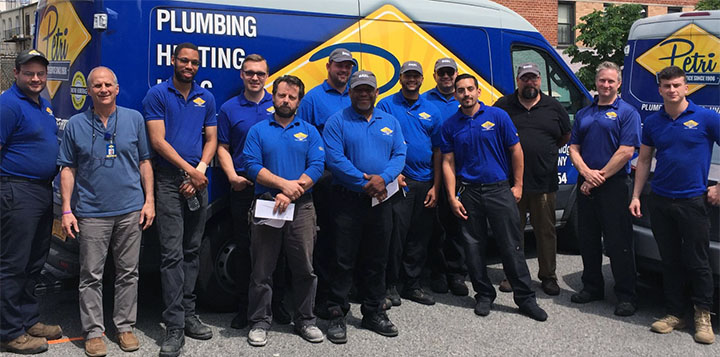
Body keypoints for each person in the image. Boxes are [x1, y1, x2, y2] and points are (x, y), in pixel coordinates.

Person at [58, 66, 154, 356]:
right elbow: (68, 168)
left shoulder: (134, 119)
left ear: (117, 88)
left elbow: (145, 162)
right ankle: (94, 332)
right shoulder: (76, 124)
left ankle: (124, 327)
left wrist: (149, 200)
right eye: (97, 85)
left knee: (128, 273)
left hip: (130, 210)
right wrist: (66, 209)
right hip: (91, 212)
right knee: (91, 275)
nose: (103, 89)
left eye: (108, 85)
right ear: (89, 91)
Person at [440, 73, 547, 322]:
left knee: (512, 246)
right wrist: (452, 197)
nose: (466, 94)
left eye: (470, 89)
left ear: (478, 92)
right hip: (469, 192)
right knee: (474, 247)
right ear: (455, 95)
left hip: (499, 190)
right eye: (461, 90)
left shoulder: (498, 117)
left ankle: (525, 299)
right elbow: (447, 162)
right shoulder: (450, 125)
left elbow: (516, 150)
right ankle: (484, 295)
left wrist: (518, 185)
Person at [629, 66, 719, 344]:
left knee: (698, 261)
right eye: (666, 86)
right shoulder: (653, 122)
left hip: (692, 200)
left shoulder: (706, 118)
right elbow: (644, 160)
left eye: (677, 85)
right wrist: (635, 195)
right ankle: (675, 313)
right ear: (660, 89)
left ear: (686, 87)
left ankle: (703, 316)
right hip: (661, 199)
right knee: (669, 259)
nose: (672, 90)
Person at [142, 42, 217, 357]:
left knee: (192, 251)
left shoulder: (206, 97)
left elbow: (211, 139)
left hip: (197, 181)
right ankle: (173, 326)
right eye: (184, 60)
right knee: (171, 255)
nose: (189, 65)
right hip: (170, 182)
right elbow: (157, 142)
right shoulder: (157, 95)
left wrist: (199, 171)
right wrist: (190, 171)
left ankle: (188, 314)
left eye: (194, 62)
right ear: (173, 61)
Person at [323, 71, 407, 343]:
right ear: (350, 92)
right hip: (347, 201)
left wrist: (383, 179)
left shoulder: (390, 121)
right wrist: (364, 182)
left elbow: (399, 154)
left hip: (381, 201)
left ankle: (374, 311)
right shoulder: (338, 121)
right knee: (341, 259)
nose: (363, 94)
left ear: (376, 92)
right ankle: (337, 312)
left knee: (377, 258)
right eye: (358, 89)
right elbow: (335, 159)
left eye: (368, 89)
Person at [243, 75, 325, 347]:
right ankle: (259, 322)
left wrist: (294, 191)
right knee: (262, 269)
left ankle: (305, 320)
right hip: (268, 203)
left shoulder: (310, 131)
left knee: (304, 268)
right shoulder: (258, 130)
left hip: (302, 208)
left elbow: (316, 165)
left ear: (299, 101)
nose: (286, 100)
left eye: (291, 97)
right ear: (273, 96)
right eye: (281, 95)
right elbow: (252, 166)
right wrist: (283, 187)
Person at [216, 54, 290, 329]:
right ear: (242, 75)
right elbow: (222, 146)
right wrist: (232, 176)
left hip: (276, 190)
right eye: (249, 73)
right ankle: (244, 307)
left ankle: (278, 303)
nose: (255, 77)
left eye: (260, 73)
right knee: (245, 248)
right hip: (245, 189)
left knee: (278, 250)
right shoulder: (229, 108)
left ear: (267, 76)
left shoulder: (281, 103)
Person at [0, 49, 62, 355]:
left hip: (41, 191)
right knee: (13, 264)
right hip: (17, 191)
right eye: (29, 73)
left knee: (35, 262)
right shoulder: (8, 104)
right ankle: (9, 332)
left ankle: (27, 320)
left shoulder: (43, 103)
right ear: (17, 74)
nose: (36, 78)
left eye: (40, 73)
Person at [568, 61, 639, 317]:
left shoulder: (627, 113)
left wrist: (596, 177)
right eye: (602, 81)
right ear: (595, 83)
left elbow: (626, 151)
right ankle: (592, 287)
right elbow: (573, 148)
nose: (606, 85)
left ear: (618, 84)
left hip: (615, 186)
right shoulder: (584, 113)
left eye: (611, 81)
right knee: (587, 239)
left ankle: (626, 295)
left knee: (619, 241)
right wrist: (586, 173)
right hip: (587, 184)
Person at [493, 63, 571, 295]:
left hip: (544, 181)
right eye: (525, 78)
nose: (529, 82)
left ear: (539, 81)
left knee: (546, 232)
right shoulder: (503, 106)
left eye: (533, 78)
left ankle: (548, 276)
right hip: (511, 183)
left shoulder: (554, 107)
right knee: (512, 231)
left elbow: (564, 136)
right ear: (518, 80)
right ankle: (513, 275)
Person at [377, 61, 442, 306]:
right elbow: (380, 142)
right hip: (398, 182)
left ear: (422, 78)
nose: (411, 79)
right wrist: (392, 174)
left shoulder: (431, 110)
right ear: (400, 78)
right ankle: (390, 284)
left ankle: (412, 285)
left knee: (419, 236)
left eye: (416, 75)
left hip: (425, 182)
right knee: (395, 235)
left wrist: (436, 186)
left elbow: (438, 150)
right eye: (407, 75)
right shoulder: (386, 105)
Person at [296, 48, 355, 317]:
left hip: (354, 181)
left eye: (348, 67)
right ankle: (322, 298)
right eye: (339, 66)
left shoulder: (356, 96)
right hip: (325, 180)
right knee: (325, 241)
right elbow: (304, 137)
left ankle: (344, 291)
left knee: (348, 240)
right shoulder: (313, 99)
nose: (344, 71)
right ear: (329, 67)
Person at [421, 57, 468, 296]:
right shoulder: (426, 101)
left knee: (457, 227)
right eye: (442, 73)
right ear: (435, 76)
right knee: (436, 227)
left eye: (450, 72)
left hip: (462, 174)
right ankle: (437, 273)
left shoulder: (464, 99)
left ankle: (457, 274)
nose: (446, 77)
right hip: (434, 172)